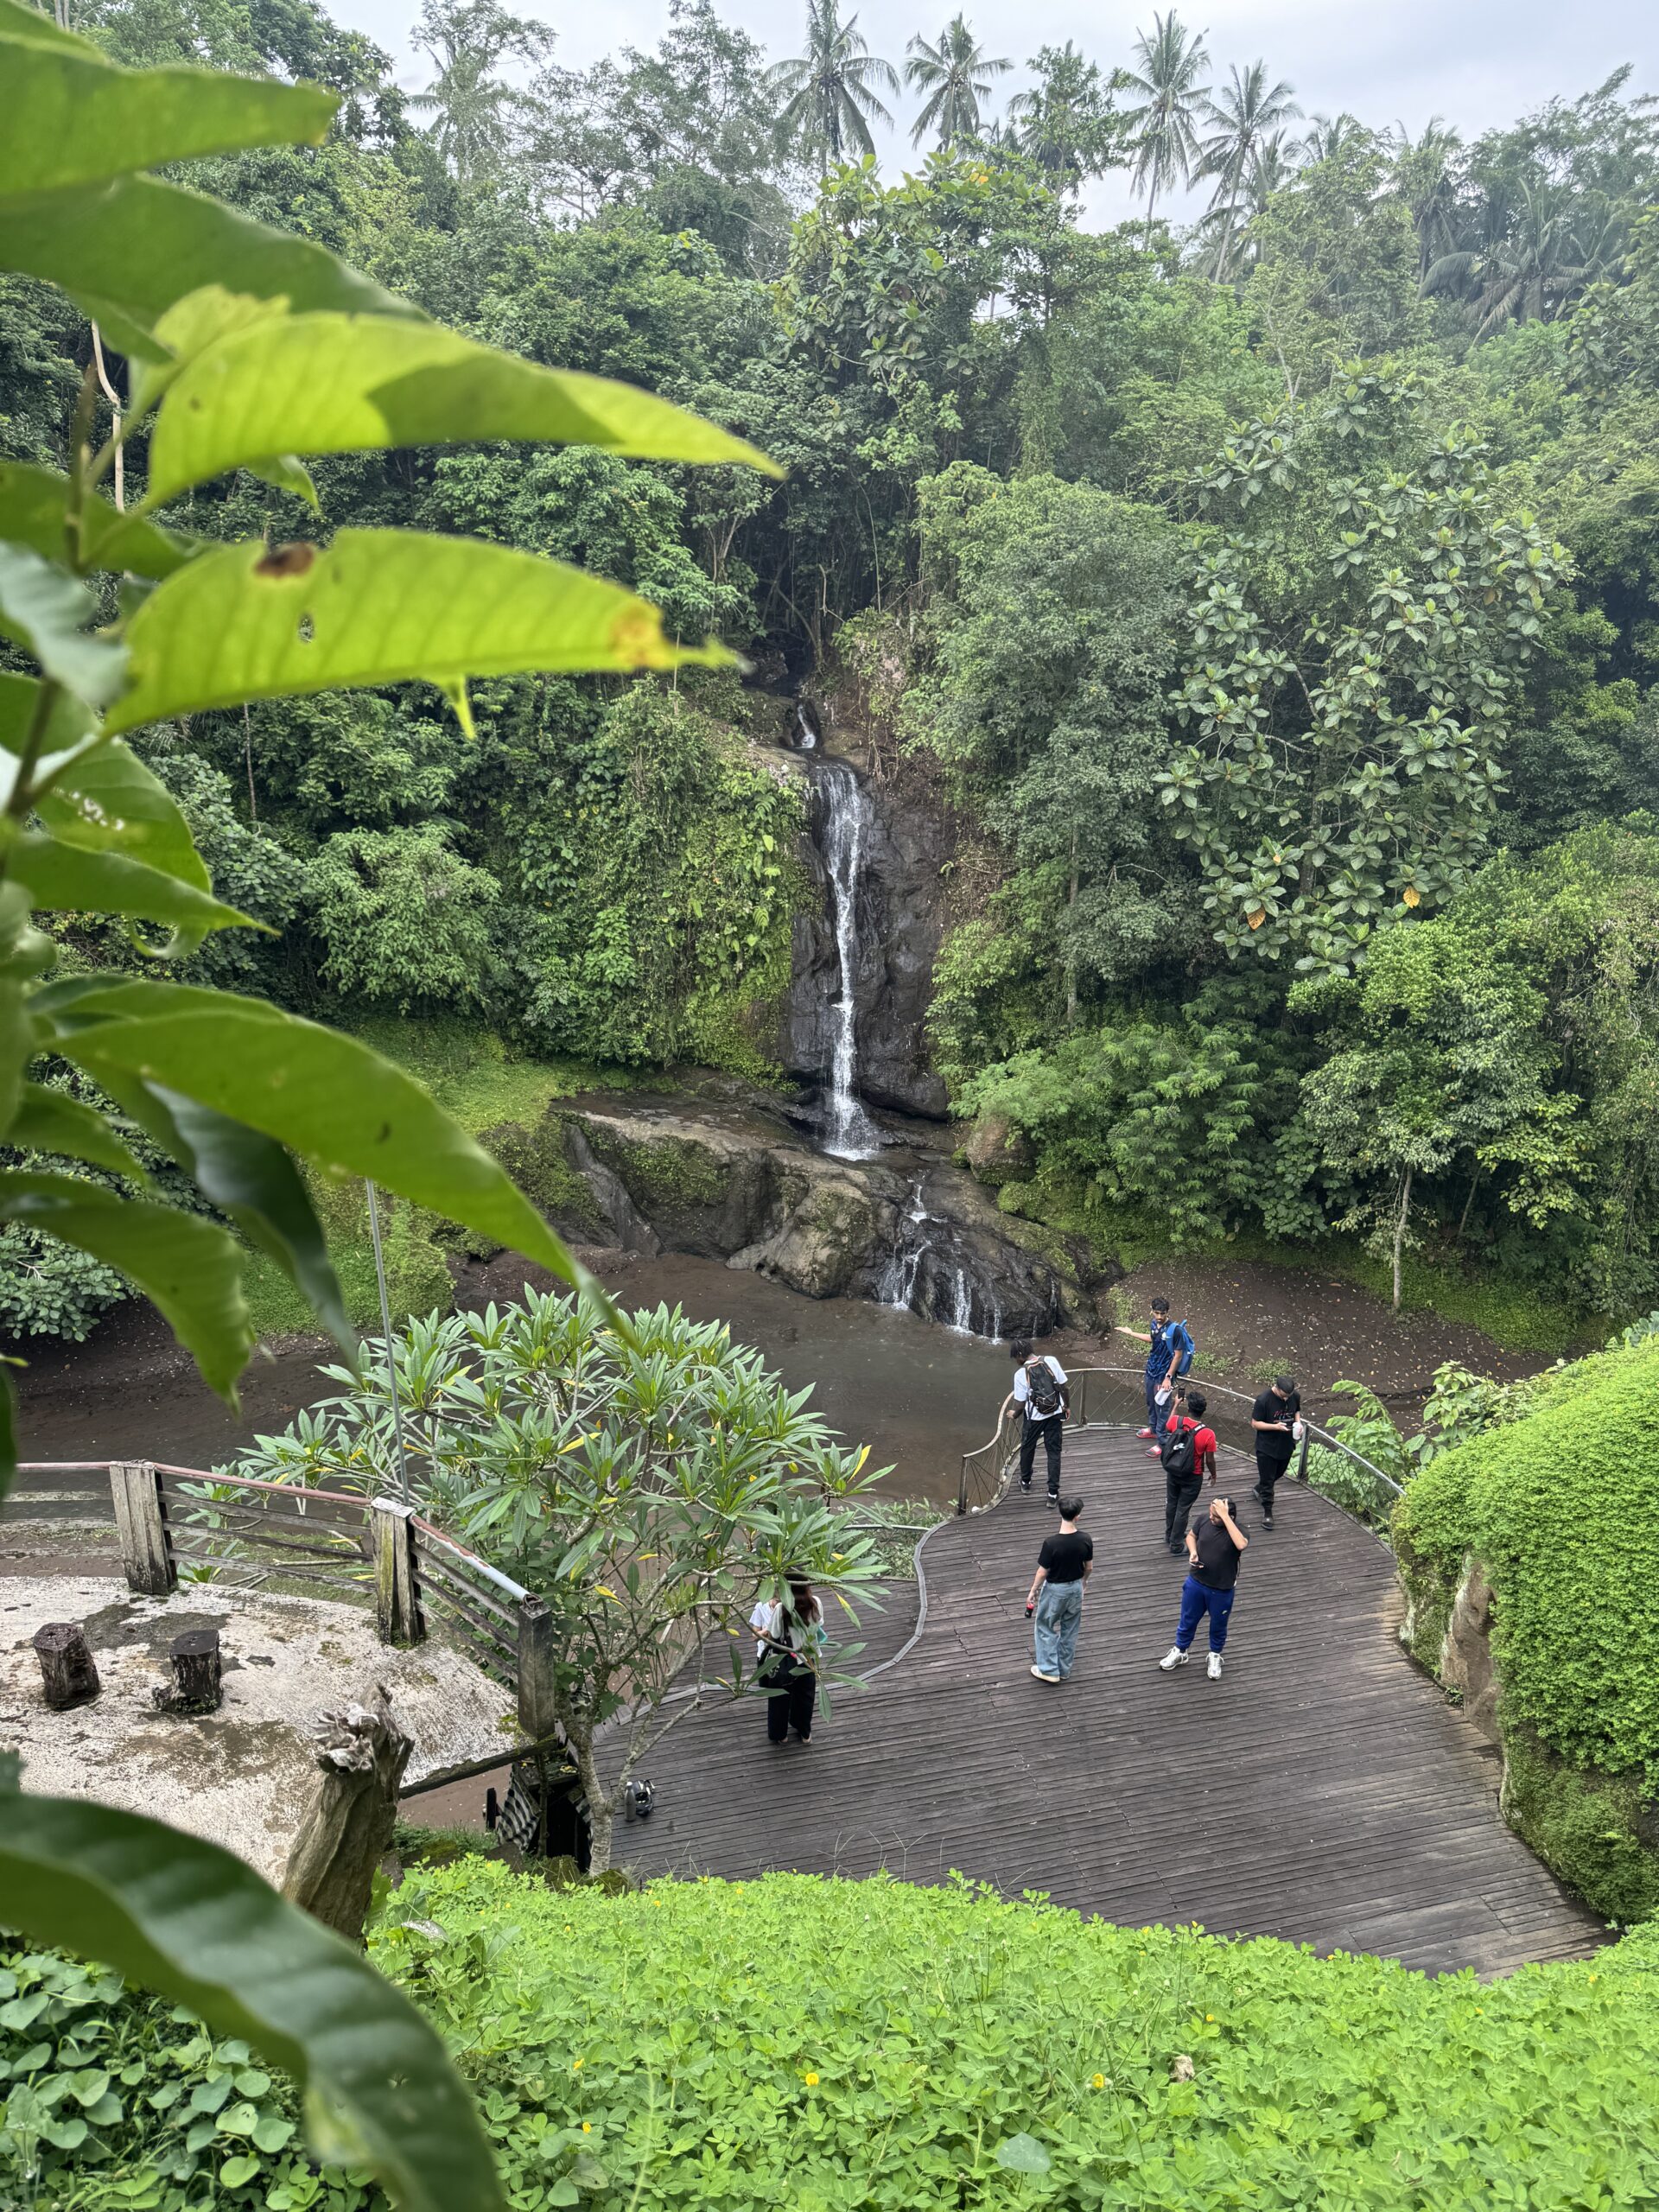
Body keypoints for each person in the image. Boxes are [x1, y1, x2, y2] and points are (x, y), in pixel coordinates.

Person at [1159, 1494, 1248, 1680]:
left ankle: (1215, 1655)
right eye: (1211, 1514)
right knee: (1188, 1619)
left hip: (1222, 1589)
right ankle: (1180, 1650)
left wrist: (1224, 1517)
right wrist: (1193, 1552)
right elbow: (1192, 1536)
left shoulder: (1238, 1531)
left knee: (1218, 1624)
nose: (1211, 1518)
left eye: (1215, 1516)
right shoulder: (1204, 1519)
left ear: (1228, 1517)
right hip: (1196, 1582)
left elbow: (1241, 1544)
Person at [1025, 1495, 1092, 1683]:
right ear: (1078, 1516)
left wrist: (1033, 1591)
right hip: (1075, 1589)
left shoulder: (1051, 1543)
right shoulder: (1085, 1539)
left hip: (1056, 1590)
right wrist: (1084, 1582)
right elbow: (1089, 1567)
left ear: (1060, 1513)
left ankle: (1049, 1669)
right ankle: (1064, 1669)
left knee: (1045, 1625)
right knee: (1070, 1628)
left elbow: (1042, 1572)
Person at [750, 1576, 823, 1746]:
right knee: (805, 1697)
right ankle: (805, 1733)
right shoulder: (816, 1602)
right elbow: (819, 1623)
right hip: (807, 1658)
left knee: (779, 1699)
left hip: (785, 1660)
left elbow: (775, 1634)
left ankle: (780, 1735)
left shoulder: (782, 1608)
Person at [1117, 1298, 1196, 1456]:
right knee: (1151, 1402)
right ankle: (1153, 1429)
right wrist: (1131, 1333)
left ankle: (1163, 1442)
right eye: (1157, 1313)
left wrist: (1168, 1377)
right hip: (1151, 1370)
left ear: (1168, 1312)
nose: (1159, 1316)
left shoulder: (1176, 1331)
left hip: (1163, 1375)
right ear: (1151, 1310)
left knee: (1162, 1408)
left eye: (1163, 1313)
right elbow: (1152, 1339)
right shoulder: (1154, 1324)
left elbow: (1178, 1356)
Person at [1009, 1338, 1070, 1505]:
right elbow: (1064, 1386)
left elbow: (1020, 1404)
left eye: (1016, 1357)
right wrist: (1066, 1407)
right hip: (1056, 1414)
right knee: (1054, 1453)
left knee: (1028, 1448)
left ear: (1021, 1355)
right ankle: (1052, 1494)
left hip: (1035, 1418)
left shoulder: (1021, 1374)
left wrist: (1014, 1415)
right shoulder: (1051, 1361)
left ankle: (1026, 1482)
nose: (1017, 1361)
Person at [1158, 1388, 1217, 1554]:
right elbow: (1210, 1459)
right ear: (1203, 1411)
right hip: (1193, 1475)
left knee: (1172, 1504)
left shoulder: (1177, 1421)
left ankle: (1169, 1534)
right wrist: (1213, 1474)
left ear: (1189, 1408)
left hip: (1173, 1471)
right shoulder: (1208, 1434)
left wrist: (1176, 1405)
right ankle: (1176, 1544)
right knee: (1183, 1508)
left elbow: (1168, 1424)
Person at [1250, 1373, 1302, 1529]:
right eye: (1284, 1395)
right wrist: (1275, 1427)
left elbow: (1297, 1411)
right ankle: (1268, 1512)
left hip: (1286, 1444)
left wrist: (1298, 1424)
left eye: (1289, 1396)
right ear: (1277, 1388)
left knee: (1278, 1473)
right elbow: (1255, 1423)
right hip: (1266, 1447)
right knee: (1268, 1481)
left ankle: (1259, 1488)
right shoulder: (1263, 1400)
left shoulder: (1294, 1396)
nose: (1286, 1399)